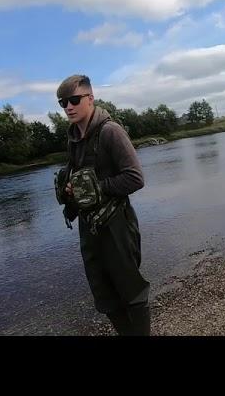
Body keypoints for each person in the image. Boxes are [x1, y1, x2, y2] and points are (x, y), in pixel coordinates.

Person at [54, 74, 150, 336]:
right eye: (63, 103)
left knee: (131, 290)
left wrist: (97, 186)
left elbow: (135, 178)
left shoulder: (111, 131)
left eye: (74, 100)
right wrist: (71, 190)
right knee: (104, 296)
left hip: (117, 224)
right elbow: (80, 179)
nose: (69, 107)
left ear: (90, 98)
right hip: (89, 228)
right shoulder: (73, 139)